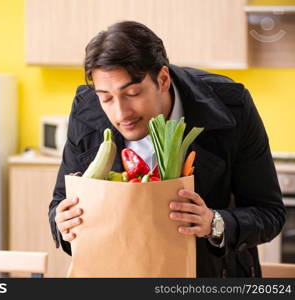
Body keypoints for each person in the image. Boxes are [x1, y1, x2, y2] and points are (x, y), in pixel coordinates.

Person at [47, 21, 286, 277]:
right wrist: (63, 224)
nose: (120, 113)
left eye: (133, 93)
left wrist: (213, 223)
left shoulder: (232, 104)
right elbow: (60, 204)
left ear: (162, 79)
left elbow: (269, 214)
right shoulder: (87, 110)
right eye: (106, 97)